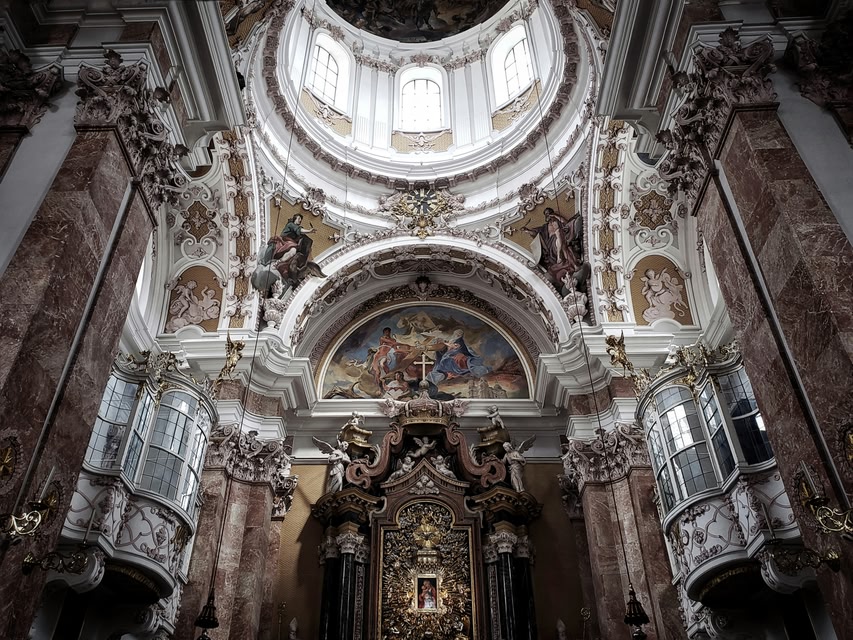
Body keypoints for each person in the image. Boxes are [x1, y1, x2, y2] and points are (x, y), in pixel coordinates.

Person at [522, 208, 583, 286]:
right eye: (546, 214)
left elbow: (566, 223)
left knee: (560, 236)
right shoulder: (544, 227)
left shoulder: (557, 221)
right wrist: (527, 231)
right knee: (560, 241)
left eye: (549, 213)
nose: (548, 215)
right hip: (551, 248)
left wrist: (556, 216)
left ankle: (560, 257)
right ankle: (560, 257)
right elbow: (536, 233)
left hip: (562, 240)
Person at [426, 329, 490, 385]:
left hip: (460, 363)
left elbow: (467, 351)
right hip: (450, 367)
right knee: (438, 373)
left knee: (467, 361)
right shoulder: (441, 353)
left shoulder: (459, 344)